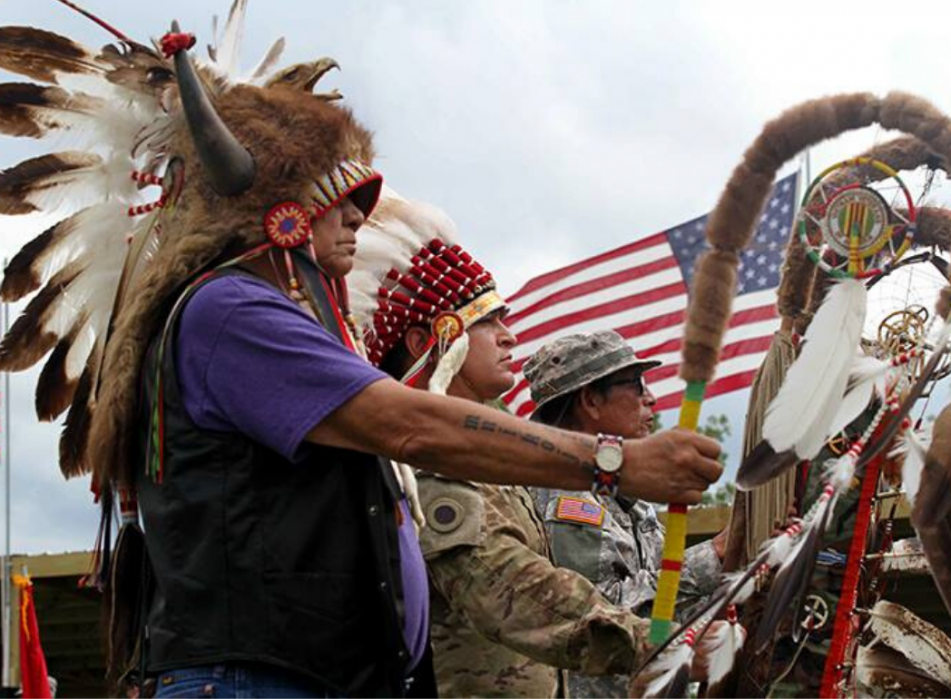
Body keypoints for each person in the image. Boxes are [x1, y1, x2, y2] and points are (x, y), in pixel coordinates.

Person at [0, 11, 724, 699]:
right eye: (340, 192)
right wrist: (614, 461)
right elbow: (405, 423)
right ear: (276, 208)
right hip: (257, 682)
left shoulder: (259, 317)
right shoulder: (232, 311)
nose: (358, 214)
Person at [346, 197, 725, 698]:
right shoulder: (427, 467)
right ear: (425, 341)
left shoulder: (482, 462)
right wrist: (658, 644)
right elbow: (510, 592)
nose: (509, 337)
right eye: (487, 321)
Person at [526, 330, 727, 698]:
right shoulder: (568, 500)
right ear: (590, 400)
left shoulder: (626, 500)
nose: (650, 399)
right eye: (635, 385)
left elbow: (663, 610)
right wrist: (711, 557)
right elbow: (598, 615)